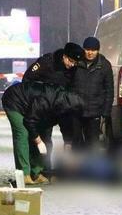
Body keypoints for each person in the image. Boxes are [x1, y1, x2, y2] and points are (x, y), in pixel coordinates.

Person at [2, 82, 82, 185]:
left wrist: (67, 150)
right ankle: (24, 175)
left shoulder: (67, 109)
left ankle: (36, 173)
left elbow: (66, 129)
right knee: (22, 134)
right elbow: (29, 121)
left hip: (31, 108)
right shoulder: (45, 101)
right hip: (14, 100)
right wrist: (38, 142)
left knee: (43, 138)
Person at [23, 42, 84, 172]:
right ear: (64, 56)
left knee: (47, 139)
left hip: (56, 109)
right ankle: (34, 170)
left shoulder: (73, 70)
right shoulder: (47, 62)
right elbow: (27, 79)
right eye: (71, 61)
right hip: (39, 107)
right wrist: (37, 99)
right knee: (37, 139)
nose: (72, 65)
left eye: (75, 63)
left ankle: (46, 170)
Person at [71, 37, 114, 150]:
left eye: (93, 50)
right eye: (87, 49)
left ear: (98, 51)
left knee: (92, 144)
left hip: (94, 112)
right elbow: (69, 86)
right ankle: (77, 166)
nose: (90, 52)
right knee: (76, 142)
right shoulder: (76, 63)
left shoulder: (104, 66)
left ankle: (89, 166)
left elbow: (109, 90)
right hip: (76, 111)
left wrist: (106, 112)